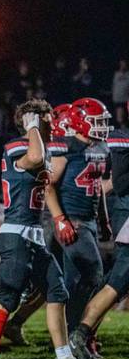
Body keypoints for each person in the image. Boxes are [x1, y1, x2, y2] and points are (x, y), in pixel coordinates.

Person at [0, 99, 98, 359]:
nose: (53, 123)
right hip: (16, 235)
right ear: (32, 121)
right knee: (8, 296)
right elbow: (35, 159)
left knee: (57, 290)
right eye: (46, 119)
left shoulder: (39, 145)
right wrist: (32, 127)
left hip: (33, 236)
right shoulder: (18, 146)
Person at [43, 98, 112, 335]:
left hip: (89, 218)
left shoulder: (101, 147)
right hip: (72, 219)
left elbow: (97, 187)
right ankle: (75, 332)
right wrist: (59, 218)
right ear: (80, 121)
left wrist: (103, 218)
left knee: (74, 280)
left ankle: (74, 333)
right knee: (94, 273)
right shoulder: (65, 146)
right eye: (96, 121)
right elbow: (48, 186)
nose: (101, 126)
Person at [69, 123, 129, 359]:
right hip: (125, 211)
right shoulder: (121, 139)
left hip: (121, 210)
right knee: (118, 280)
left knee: (118, 281)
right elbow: (121, 182)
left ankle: (84, 333)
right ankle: (80, 333)